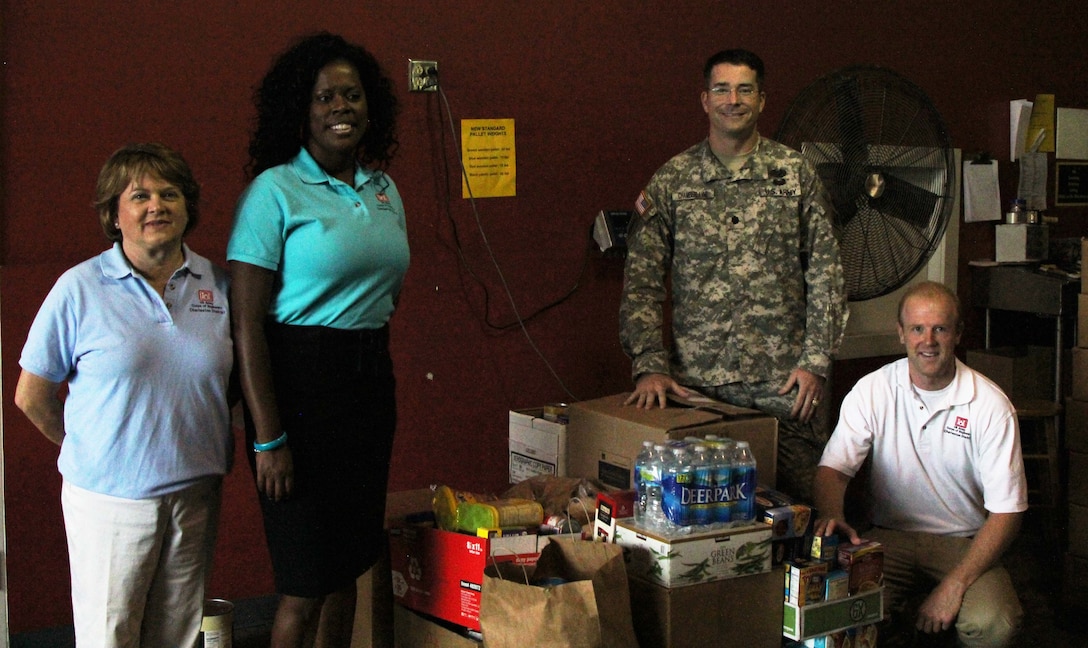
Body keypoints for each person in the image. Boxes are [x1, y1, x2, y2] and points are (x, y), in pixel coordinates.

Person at [228, 32, 409, 648]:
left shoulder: (383, 190)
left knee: (348, 568)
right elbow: (246, 324)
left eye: (352, 95)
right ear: (300, 109)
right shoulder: (273, 192)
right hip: (296, 395)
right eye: (326, 96)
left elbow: (386, 290)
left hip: (366, 389)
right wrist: (270, 437)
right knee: (304, 583)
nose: (341, 107)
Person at [14, 143, 233, 647]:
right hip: (110, 503)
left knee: (176, 636)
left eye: (169, 193)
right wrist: (93, 448)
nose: (156, 205)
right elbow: (32, 395)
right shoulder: (79, 288)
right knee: (109, 636)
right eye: (140, 195)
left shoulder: (218, 285)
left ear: (187, 207)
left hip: (195, 494)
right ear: (114, 215)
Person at [620, 48, 848, 503]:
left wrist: (816, 361)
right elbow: (642, 281)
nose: (733, 100)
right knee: (703, 515)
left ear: (762, 100)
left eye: (745, 89)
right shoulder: (673, 181)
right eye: (722, 89)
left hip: (786, 386)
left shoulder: (795, 174)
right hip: (700, 391)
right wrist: (648, 364)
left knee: (801, 516)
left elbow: (827, 274)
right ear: (704, 100)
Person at [813, 281, 1025, 647]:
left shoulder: (991, 405)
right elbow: (833, 469)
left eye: (940, 328)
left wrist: (954, 586)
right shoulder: (872, 389)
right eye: (917, 328)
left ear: (957, 333)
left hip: (963, 542)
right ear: (901, 334)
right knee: (828, 612)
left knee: (994, 624)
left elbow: (1008, 512)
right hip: (886, 537)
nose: (928, 340)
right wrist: (834, 514)